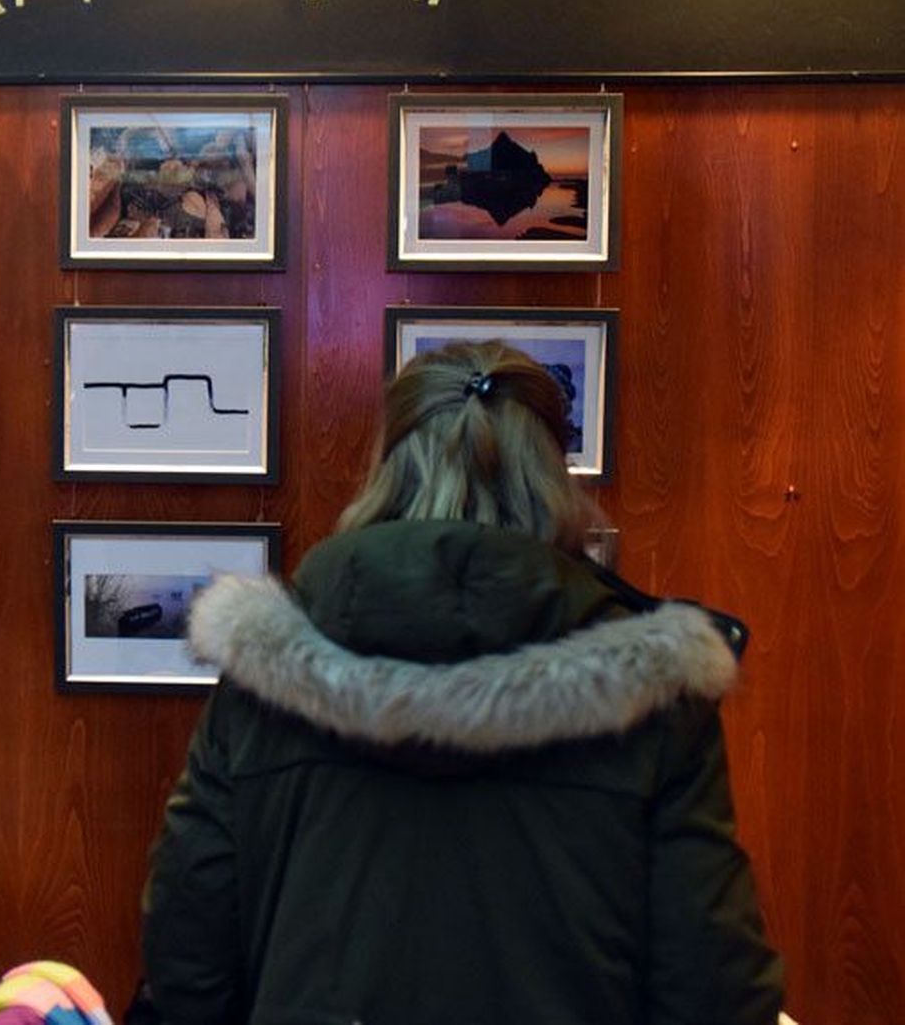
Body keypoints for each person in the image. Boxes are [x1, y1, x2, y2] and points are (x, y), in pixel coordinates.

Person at [141, 340, 784, 1024]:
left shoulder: (264, 678)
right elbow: (711, 988)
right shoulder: (656, 699)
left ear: (386, 470)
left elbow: (188, 955)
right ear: (556, 479)